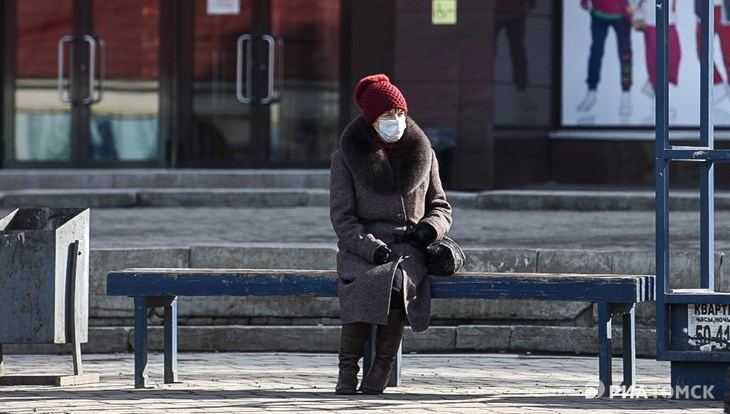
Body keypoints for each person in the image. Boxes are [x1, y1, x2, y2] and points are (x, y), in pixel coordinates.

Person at [329, 74, 452, 395]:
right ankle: (346, 371)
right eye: (387, 116)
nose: (395, 121)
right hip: (363, 248)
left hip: (410, 248)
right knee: (365, 283)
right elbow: (343, 219)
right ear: (372, 120)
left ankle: (380, 368)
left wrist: (429, 230)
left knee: (398, 284)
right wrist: (372, 249)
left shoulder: (424, 152)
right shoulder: (345, 158)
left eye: (399, 114)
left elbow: (441, 207)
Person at [577, 0, 633, 115]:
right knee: (596, 52)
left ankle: (626, 91)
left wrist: (633, 12)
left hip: (621, 15)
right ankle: (591, 89)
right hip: (599, 14)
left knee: (626, 55)